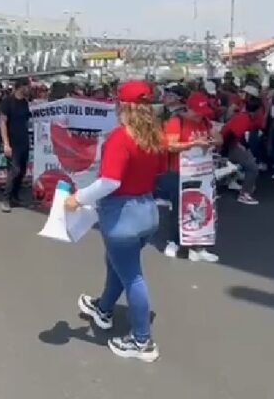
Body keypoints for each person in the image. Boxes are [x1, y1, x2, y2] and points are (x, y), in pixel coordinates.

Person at [66, 80, 164, 362]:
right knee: (118, 265)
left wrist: (78, 198)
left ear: (120, 104)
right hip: (147, 211)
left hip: (123, 216)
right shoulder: (153, 135)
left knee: (132, 276)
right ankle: (104, 308)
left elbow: (109, 181)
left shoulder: (120, 137)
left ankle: (142, 341)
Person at [159, 92, 219, 262]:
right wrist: (193, 144)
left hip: (201, 170)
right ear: (189, 108)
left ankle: (198, 245)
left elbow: (219, 138)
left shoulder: (205, 122)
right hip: (179, 171)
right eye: (198, 112)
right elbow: (170, 146)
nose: (200, 116)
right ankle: (173, 242)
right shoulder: (177, 121)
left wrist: (211, 142)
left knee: (201, 205)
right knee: (179, 207)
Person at [0, 79, 31, 212]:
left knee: (22, 170)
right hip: (12, 142)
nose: (28, 89)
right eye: (26, 86)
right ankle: (6, 199)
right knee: (14, 170)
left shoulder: (24, 102)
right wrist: (6, 143)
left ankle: (15, 197)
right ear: (20, 87)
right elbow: (2, 122)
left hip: (24, 140)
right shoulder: (7, 102)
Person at [220, 101, 260, 205]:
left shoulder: (244, 117)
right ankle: (244, 194)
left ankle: (234, 182)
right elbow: (230, 135)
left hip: (230, 145)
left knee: (249, 159)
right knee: (252, 168)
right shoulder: (244, 118)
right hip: (229, 146)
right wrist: (225, 154)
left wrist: (246, 148)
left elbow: (238, 134)